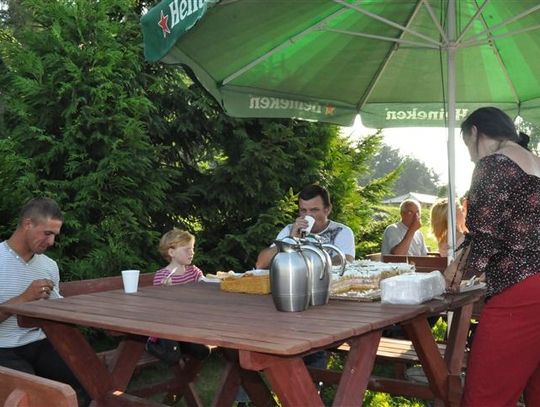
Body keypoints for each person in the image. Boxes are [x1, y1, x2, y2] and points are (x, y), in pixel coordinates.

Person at [452, 107, 540, 406]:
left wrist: (454, 275)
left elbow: (483, 236)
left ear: (475, 132)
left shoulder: (494, 164)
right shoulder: (535, 162)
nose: (470, 156)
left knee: (485, 396)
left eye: (467, 144)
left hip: (521, 290)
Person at [0, 198, 88, 405]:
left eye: (55, 235)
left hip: (42, 343)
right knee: (33, 396)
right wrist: (23, 299)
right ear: (27, 224)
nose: (51, 242)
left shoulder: (49, 266)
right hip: (4, 348)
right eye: (47, 233)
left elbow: (53, 311)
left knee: (90, 379)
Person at [146, 228, 210, 361]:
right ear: (171, 252)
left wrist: (208, 283)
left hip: (186, 326)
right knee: (172, 356)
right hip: (166, 327)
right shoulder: (162, 276)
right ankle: (151, 344)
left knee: (203, 351)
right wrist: (165, 291)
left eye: (192, 248)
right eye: (187, 249)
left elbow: (204, 284)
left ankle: (181, 345)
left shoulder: (193, 271)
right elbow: (158, 307)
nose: (192, 252)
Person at [256, 184, 355, 269]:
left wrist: (307, 267)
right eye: (303, 210)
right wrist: (290, 240)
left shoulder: (341, 231)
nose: (308, 215)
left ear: (327, 210)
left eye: (314, 210)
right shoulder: (290, 230)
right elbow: (261, 264)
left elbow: (345, 261)